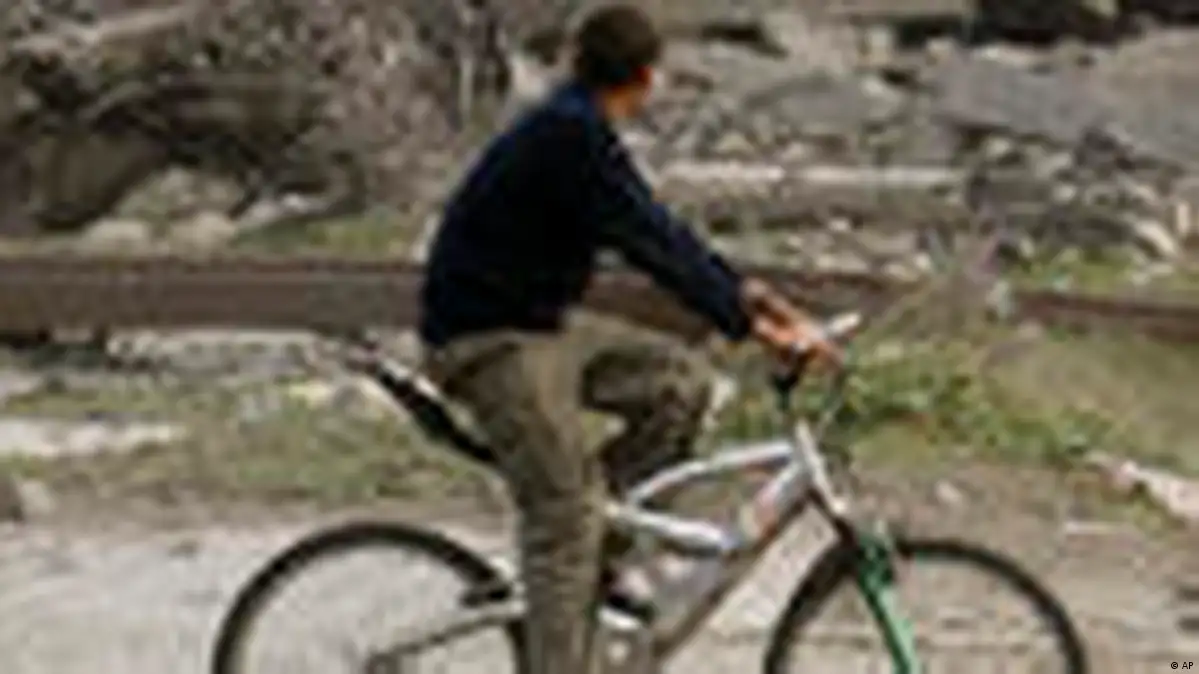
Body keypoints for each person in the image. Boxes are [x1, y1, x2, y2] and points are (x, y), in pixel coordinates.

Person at [418, 4, 839, 673]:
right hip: (488, 340)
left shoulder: (581, 126)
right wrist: (750, 327)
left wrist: (750, 298)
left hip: (540, 324)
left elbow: (658, 228)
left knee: (681, 387)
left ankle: (598, 565)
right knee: (565, 515)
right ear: (644, 78)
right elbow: (648, 244)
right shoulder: (570, 134)